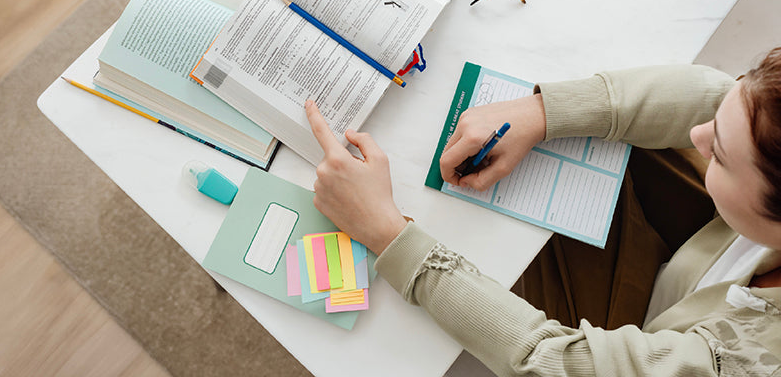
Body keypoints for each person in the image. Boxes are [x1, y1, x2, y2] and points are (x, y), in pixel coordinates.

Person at [304, 47, 781, 377]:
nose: (699, 137)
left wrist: (389, 235)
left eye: (718, 153)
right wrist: (544, 111)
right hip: (686, 273)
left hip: (641, 330)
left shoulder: (748, 361)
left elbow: (548, 360)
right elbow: (713, 96)